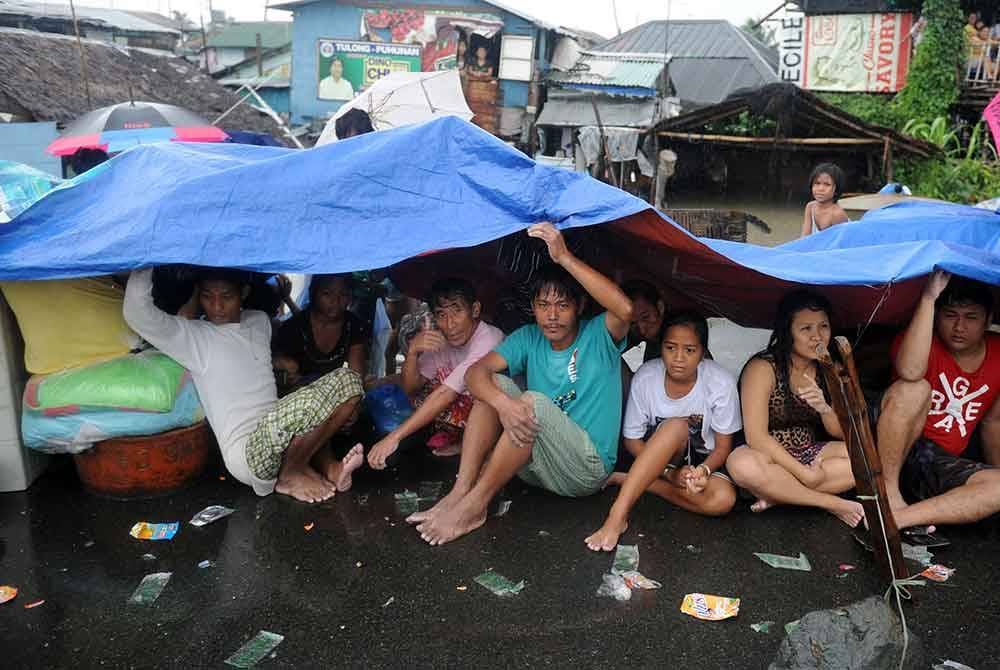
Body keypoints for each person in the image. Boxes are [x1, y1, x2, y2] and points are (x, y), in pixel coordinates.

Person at [407, 222, 633, 545]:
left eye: (562, 305)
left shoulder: (598, 334)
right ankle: (461, 491)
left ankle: (475, 507)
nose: (551, 316)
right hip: (538, 467)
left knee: (532, 402)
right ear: (533, 308)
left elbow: (625, 309)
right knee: (494, 385)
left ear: (579, 306)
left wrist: (564, 257)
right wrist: (503, 405)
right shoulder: (528, 337)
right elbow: (475, 374)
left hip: (585, 471)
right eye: (543, 305)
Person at [124, 268, 365, 503]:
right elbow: (137, 313)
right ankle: (290, 475)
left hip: (280, 434)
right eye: (207, 296)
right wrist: (146, 259)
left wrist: (280, 361)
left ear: (244, 293)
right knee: (306, 404)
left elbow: (246, 357)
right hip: (249, 454)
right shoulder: (192, 337)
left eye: (226, 296)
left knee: (349, 382)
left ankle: (320, 468)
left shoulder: (259, 321)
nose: (217, 306)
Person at [585, 312, 740, 551]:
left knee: (723, 500)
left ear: (702, 353)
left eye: (689, 350)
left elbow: (722, 448)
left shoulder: (720, 383)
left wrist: (702, 471)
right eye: (670, 348)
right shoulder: (646, 377)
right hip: (657, 455)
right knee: (676, 426)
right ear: (661, 348)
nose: (678, 358)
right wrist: (669, 472)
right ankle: (617, 514)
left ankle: (642, 482)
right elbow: (632, 440)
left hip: (701, 461)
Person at [874, 271, 1000, 536]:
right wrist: (929, 298)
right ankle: (887, 495)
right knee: (914, 388)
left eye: (971, 317)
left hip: (938, 464)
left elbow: (993, 423)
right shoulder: (920, 341)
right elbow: (910, 372)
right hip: (897, 448)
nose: (959, 327)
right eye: (950, 315)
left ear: (989, 320)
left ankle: (898, 518)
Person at [726, 290, 865, 528]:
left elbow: (842, 433)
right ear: (787, 331)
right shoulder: (763, 368)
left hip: (810, 451)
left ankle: (778, 495)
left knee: (861, 459)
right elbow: (756, 437)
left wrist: (824, 408)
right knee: (741, 464)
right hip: (768, 455)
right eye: (805, 329)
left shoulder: (829, 368)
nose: (817, 336)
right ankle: (830, 503)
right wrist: (804, 474)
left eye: (823, 326)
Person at [367, 278, 504, 468]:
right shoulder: (442, 339)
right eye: (441, 314)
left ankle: (478, 445)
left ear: (474, 310)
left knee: (452, 394)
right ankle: (459, 438)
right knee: (422, 393)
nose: (450, 324)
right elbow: (410, 389)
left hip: (496, 418)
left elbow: (446, 394)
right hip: (458, 410)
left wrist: (394, 437)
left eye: (457, 311)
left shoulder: (488, 339)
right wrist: (413, 353)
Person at [272, 274, 369, 393]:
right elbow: (276, 365)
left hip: (332, 393)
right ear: (313, 293)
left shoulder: (353, 325)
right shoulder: (293, 327)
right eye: (327, 293)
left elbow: (356, 376)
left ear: (350, 297)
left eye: (343, 294)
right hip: (296, 394)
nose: (335, 301)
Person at [622, 279, 666, 364]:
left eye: (645, 317)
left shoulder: (679, 336)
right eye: (633, 323)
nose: (642, 330)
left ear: (660, 307)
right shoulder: (630, 337)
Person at [800, 163, 849, 237]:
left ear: (836, 189)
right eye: (817, 183)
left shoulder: (837, 214)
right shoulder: (810, 207)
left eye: (827, 184)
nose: (820, 189)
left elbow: (840, 241)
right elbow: (804, 237)